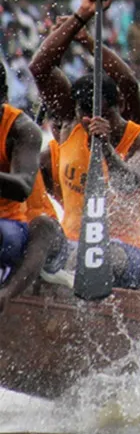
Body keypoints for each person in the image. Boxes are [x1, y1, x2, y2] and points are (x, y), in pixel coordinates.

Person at [30, 0, 140, 291]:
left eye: (104, 115)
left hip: (134, 248)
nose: (92, 123)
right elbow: (40, 68)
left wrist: (107, 149)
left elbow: (128, 183)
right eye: (86, 117)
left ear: (120, 106)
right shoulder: (71, 123)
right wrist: (81, 17)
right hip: (75, 243)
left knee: (99, 258)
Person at [0, 61, 66, 308]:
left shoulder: (22, 131)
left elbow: (22, 188)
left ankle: (6, 295)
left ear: (3, 97)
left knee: (44, 226)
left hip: (24, 230)